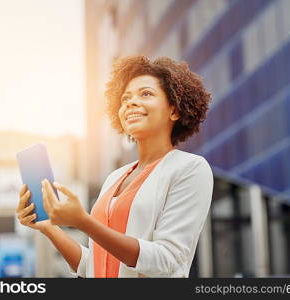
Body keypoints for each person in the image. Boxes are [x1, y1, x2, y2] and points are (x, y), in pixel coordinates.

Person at [16, 55, 214, 278]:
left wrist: (84, 222)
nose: (130, 102)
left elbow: (165, 260)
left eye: (146, 93)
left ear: (174, 110)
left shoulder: (190, 169)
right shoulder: (115, 178)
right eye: (125, 98)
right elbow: (94, 265)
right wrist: (47, 227)